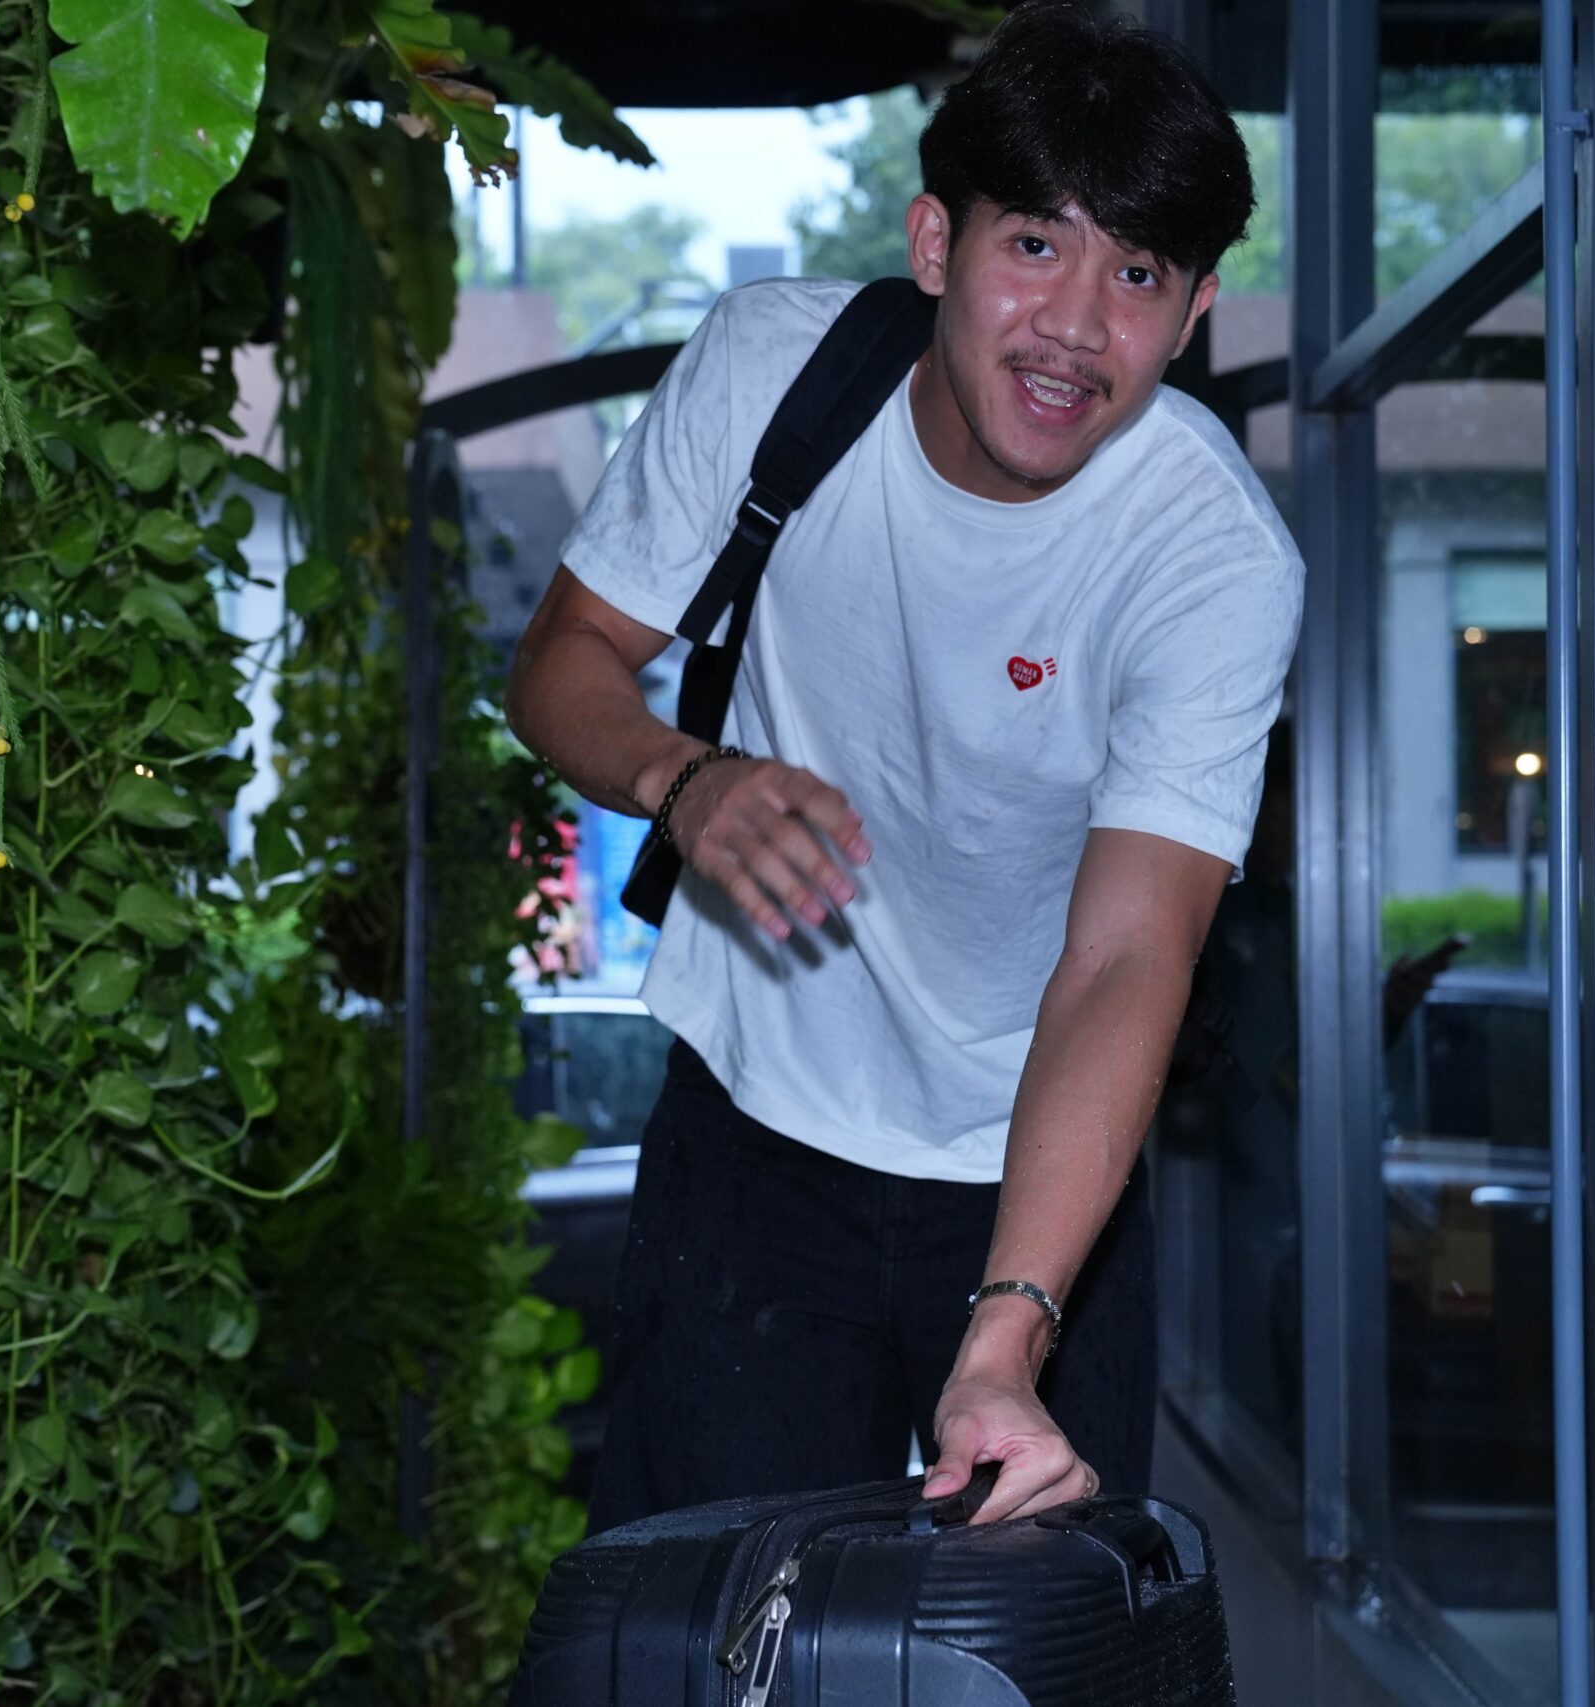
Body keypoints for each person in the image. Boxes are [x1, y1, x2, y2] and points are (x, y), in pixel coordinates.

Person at [504, 1, 1303, 1534]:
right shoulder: (772, 373)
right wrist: (687, 781)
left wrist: (1007, 1338)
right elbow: (562, 664)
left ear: (1196, 312)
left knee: (1039, 1636)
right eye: (1036, 245)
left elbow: (1128, 954)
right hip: (752, 1126)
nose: (1076, 326)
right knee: (711, 1625)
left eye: (1139, 274)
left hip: (1044, 1177)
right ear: (937, 242)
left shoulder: (1212, 557)